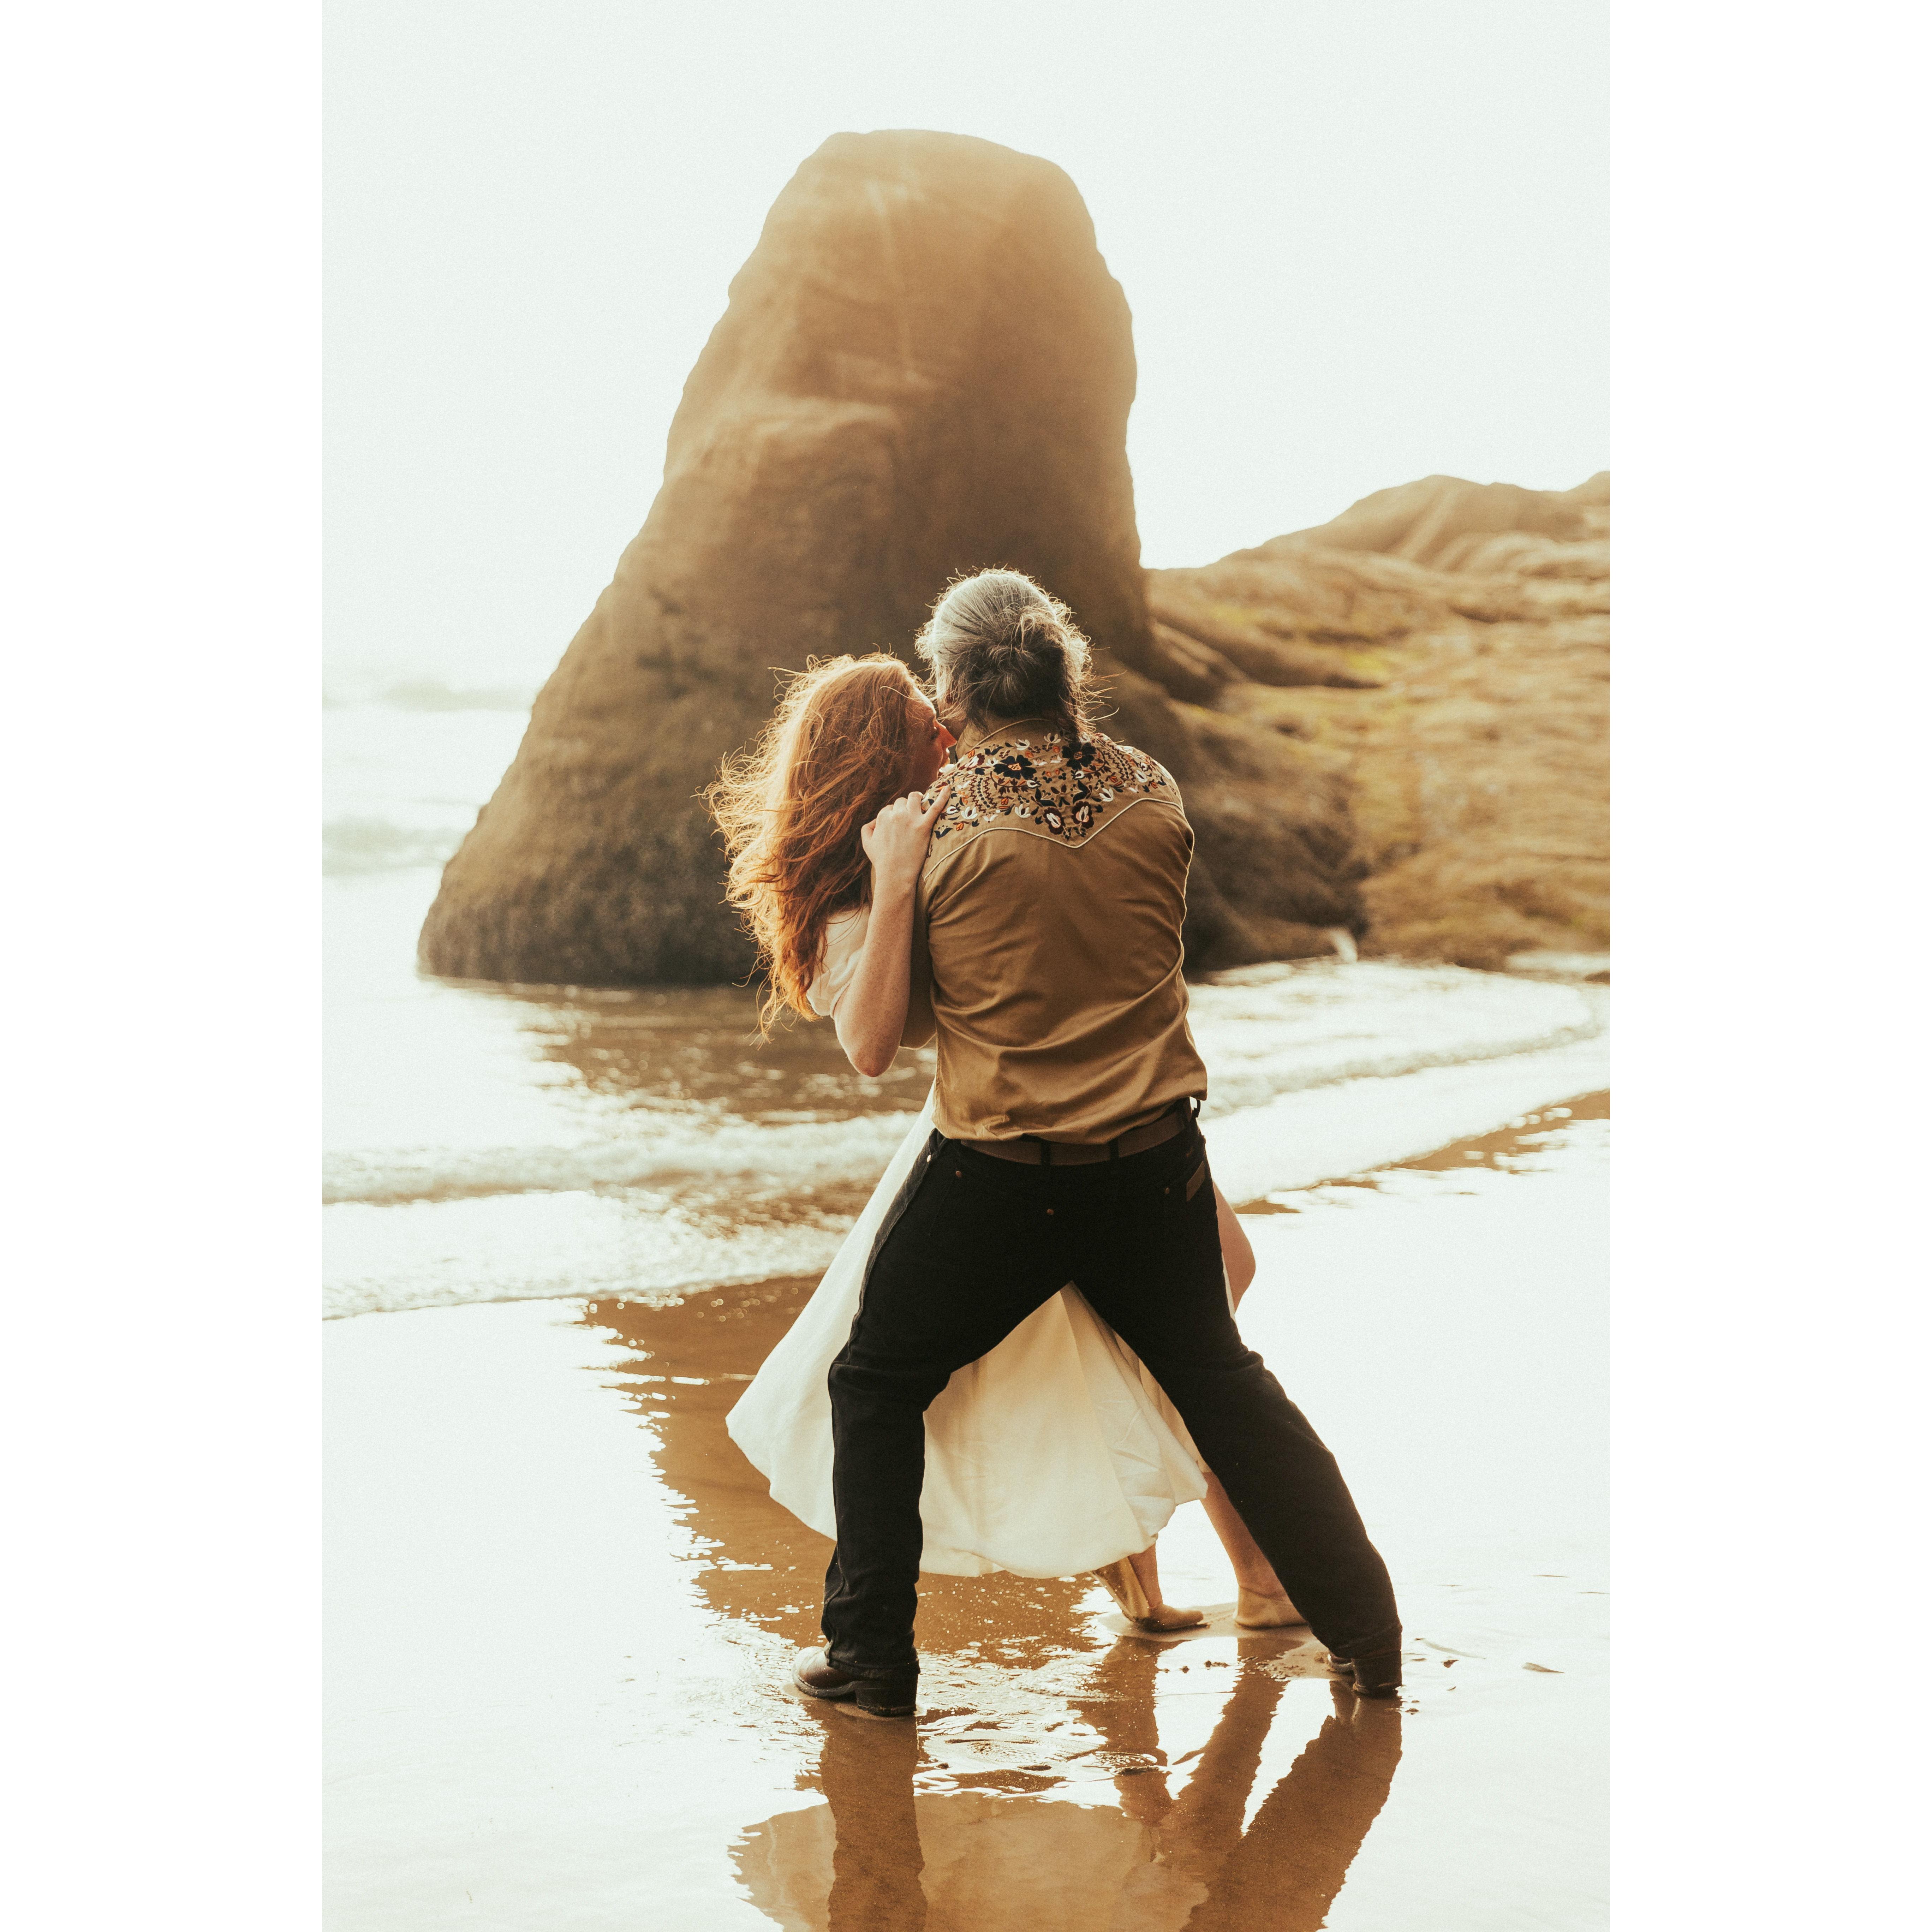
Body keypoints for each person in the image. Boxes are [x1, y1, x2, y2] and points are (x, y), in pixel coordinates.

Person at [712, 650, 1302, 1635]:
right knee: (1153, 1344)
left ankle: (1185, 1575)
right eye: (925, 724)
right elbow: (870, 1045)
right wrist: (898, 880)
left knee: (1187, 1317)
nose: (950, 729)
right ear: (879, 754)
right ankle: (1238, 1581)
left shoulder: (966, 807)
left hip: (1084, 1104)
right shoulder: (862, 883)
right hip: (993, 1143)